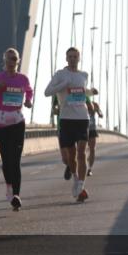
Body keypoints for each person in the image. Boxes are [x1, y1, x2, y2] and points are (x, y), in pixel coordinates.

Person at [0, 48, 34, 211]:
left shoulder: (23, 79)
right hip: (2, 122)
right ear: (4, 60)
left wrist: (29, 101)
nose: (12, 62)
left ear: (18, 61)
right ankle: (9, 185)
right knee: (6, 160)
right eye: (9, 59)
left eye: (15, 59)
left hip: (17, 120)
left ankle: (16, 195)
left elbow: (29, 91)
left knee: (15, 160)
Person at [44, 47, 91, 202]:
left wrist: (90, 92)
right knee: (71, 156)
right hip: (66, 119)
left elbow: (82, 93)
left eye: (75, 56)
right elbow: (47, 92)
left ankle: (81, 185)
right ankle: (76, 179)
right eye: (70, 56)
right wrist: (63, 84)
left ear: (79, 58)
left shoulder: (84, 75)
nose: (72, 59)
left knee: (82, 152)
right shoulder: (60, 75)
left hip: (82, 118)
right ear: (66, 58)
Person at [85, 88, 103, 179]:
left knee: (92, 149)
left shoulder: (94, 104)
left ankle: (89, 169)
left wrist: (99, 112)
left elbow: (101, 114)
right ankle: (83, 165)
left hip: (92, 129)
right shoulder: (80, 104)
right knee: (81, 151)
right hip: (82, 129)